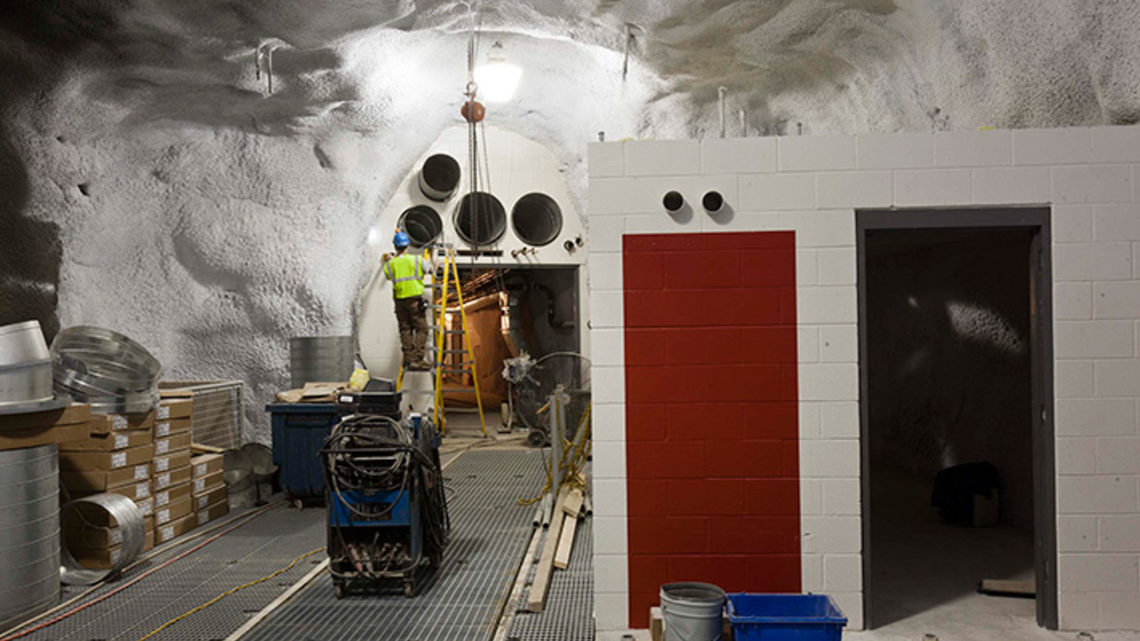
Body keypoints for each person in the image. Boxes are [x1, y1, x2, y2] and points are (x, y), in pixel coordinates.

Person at [382, 230, 433, 370]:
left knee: (405, 329)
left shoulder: (391, 264)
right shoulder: (417, 259)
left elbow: (388, 276)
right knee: (422, 329)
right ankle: (417, 359)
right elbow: (431, 270)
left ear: (395, 246)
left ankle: (409, 359)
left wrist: (390, 259)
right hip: (414, 300)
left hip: (399, 301)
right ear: (407, 246)